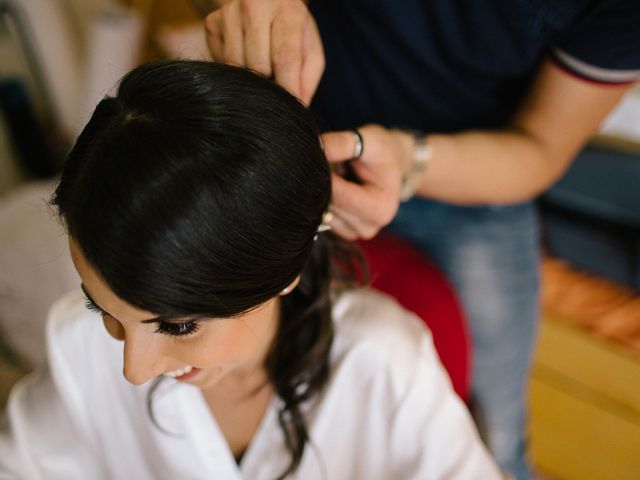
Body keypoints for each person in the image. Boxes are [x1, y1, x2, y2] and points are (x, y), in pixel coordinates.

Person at [0, 60, 502, 479]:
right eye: (102, 307)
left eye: (177, 325)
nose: (133, 369)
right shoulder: (79, 341)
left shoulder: (383, 364)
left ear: (284, 269)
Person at [203, 1, 640, 477]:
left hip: (470, 179)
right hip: (292, 130)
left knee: (494, 441)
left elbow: (539, 148)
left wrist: (409, 159)